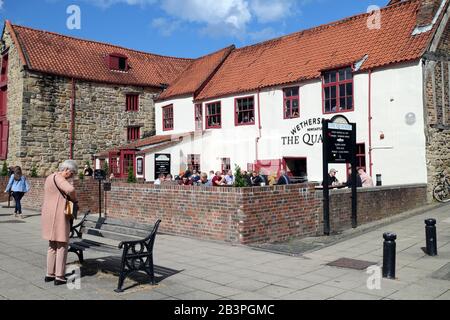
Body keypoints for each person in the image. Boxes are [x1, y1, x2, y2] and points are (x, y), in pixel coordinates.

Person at [41, 160, 78, 285]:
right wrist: (74, 199)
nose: (72, 176)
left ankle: (49, 274)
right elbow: (70, 189)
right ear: (66, 169)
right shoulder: (60, 178)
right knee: (62, 245)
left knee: (52, 245)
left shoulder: (50, 177)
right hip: (59, 215)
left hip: (48, 213)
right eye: (72, 173)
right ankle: (59, 276)